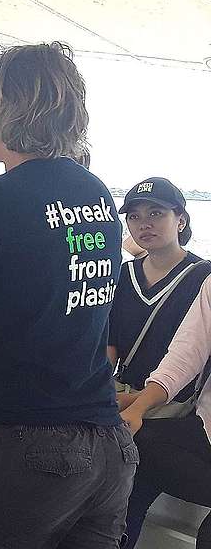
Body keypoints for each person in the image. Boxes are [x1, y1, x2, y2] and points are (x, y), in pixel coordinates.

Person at [0, 42, 135, 547]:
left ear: (13, 108)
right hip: (107, 449)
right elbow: (47, 271)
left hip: (26, 447)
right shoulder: (96, 192)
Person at [108, 178, 210, 549]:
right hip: (126, 400)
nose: (144, 224)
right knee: (116, 501)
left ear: (180, 220)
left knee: (130, 489)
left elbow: (189, 357)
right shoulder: (124, 275)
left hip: (172, 411)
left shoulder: (203, 277)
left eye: (156, 213)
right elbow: (111, 342)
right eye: (134, 216)